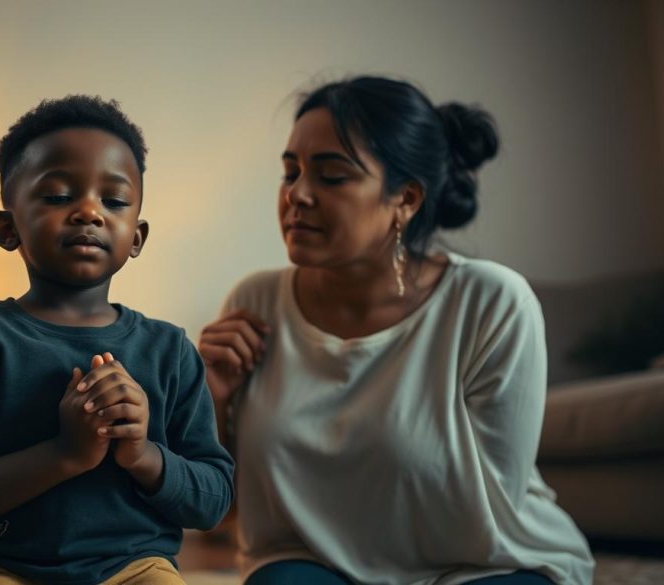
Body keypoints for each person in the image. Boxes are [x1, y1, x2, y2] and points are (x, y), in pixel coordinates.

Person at [199, 76, 594, 585]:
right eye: (290, 172)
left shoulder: (492, 302)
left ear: (405, 199)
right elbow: (216, 515)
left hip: (479, 566)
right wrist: (213, 398)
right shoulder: (253, 305)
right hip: (312, 565)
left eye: (332, 176)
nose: (297, 194)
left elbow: (491, 501)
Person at [0, 95, 234, 585]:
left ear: (137, 236)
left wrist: (143, 454)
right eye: (58, 195)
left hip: (132, 569)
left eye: (114, 201)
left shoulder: (169, 352)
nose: (88, 212)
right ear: (8, 228)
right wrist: (65, 455)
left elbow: (213, 502)